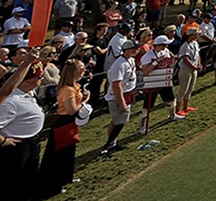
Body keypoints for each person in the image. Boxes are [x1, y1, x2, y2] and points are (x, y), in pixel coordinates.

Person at [39, 59, 90, 197]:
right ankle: (54, 184)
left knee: (69, 151)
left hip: (70, 122)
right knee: (60, 153)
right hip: (64, 122)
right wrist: (85, 101)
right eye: (80, 68)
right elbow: (71, 109)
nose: (83, 70)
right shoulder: (67, 89)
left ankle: (66, 177)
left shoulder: (75, 85)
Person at [0, 56, 45, 201]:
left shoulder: (29, 93)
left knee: (29, 181)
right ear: (27, 81)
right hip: (16, 148)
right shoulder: (11, 102)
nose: (42, 78)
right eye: (39, 76)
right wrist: (2, 141)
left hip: (31, 142)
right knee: (15, 185)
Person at [101, 40, 140, 156]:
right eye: (134, 48)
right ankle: (107, 145)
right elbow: (116, 85)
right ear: (127, 50)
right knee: (120, 121)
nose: (137, 50)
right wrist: (122, 102)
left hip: (127, 92)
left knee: (116, 120)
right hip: (118, 96)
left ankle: (112, 143)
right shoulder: (119, 65)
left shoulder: (130, 60)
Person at [138, 35, 183, 134]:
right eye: (163, 45)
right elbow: (145, 71)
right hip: (152, 83)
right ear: (157, 45)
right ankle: (142, 127)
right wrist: (156, 62)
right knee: (148, 106)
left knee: (171, 99)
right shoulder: (147, 56)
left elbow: (170, 59)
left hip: (164, 81)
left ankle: (172, 115)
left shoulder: (165, 51)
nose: (165, 47)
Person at [176, 28, 202, 116]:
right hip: (185, 69)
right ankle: (177, 109)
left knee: (190, 88)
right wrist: (194, 66)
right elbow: (185, 59)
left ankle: (186, 106)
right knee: (183, 89)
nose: (197, 36)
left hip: (193, 69)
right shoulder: (185, 46)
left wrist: (199, 64)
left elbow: (198, 55)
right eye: (195, 35)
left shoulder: (195, 43)